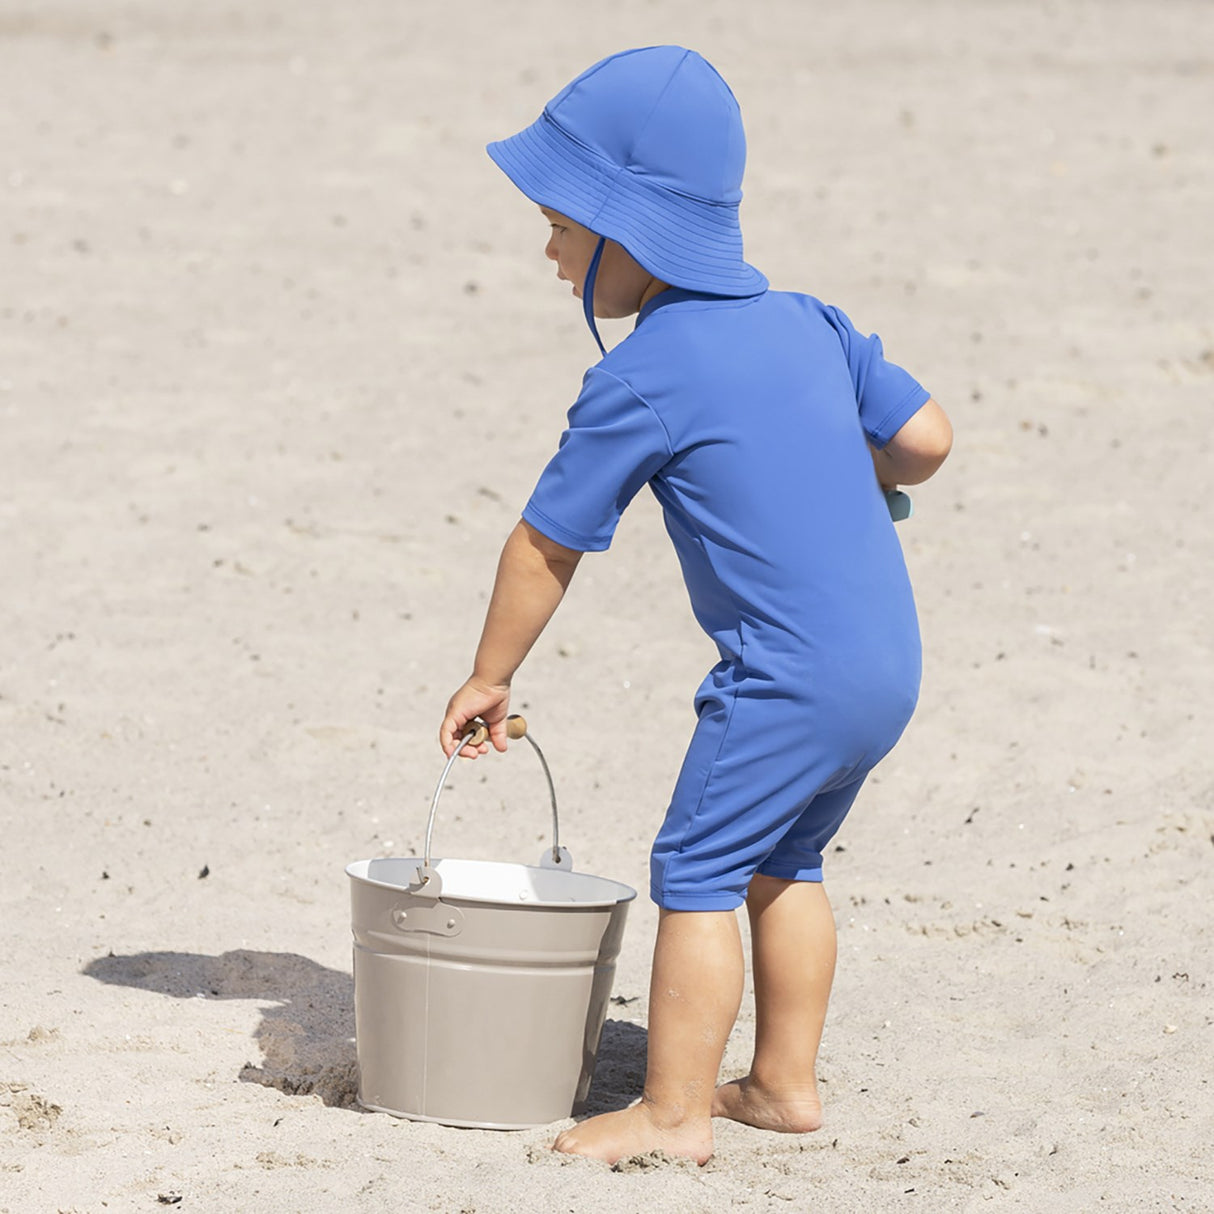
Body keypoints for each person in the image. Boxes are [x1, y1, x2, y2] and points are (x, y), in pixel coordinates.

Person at [438, 45, 952, 1165]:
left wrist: (491, 673)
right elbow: (924, 440)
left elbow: (544, 542)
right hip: (883, 670)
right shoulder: (811, 321)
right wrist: (854, 473)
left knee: (697, 869)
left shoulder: (642, 374)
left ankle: (671, 1114)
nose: (550, 247)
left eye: (561, 225)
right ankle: (780, 1084)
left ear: (630, 229)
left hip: (781, 678)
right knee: (791, 862)